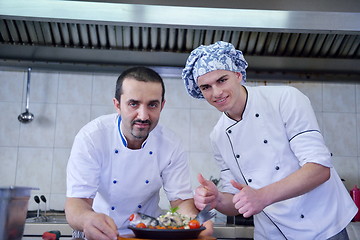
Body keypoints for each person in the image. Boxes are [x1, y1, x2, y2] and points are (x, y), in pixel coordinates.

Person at [182, 41, 357, 240]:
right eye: (206, 87)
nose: (216, 93)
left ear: (238, 75)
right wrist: (218, 199)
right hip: (272, 234)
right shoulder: (219, 135)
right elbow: (236, 202)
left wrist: (262, 196)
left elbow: (319, 169)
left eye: (222, 80)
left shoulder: (285, 99)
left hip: (322, 227)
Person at [65, 66, 212, 240]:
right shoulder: (92, 138)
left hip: (146, 236)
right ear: (117, 105)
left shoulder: (171, 145)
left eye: (152, 105)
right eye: (133, 104)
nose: (143, 116)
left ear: (162, 106)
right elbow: (77, 202)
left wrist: (194, 222)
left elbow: (181, 202)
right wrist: (87, 219)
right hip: (100, 234)